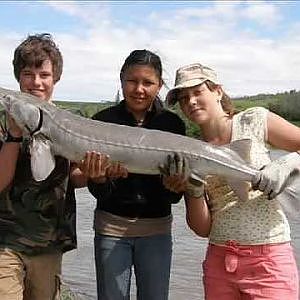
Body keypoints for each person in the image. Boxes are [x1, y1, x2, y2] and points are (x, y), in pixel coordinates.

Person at [163, 62, 300, 299]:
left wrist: (290, 163)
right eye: (184, 98)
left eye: (197, 92)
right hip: (219, 262)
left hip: (268, 261)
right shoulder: (189, 151)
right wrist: (193, 189)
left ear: (217, 91)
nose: (191, 101)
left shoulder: (253, 120)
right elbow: (202, 228)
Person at [81, 49, 186, 300]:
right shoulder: (101, 122)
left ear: (159, 85)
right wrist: (100, 178)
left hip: (157, 231)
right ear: (121, 80)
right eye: (132, 81)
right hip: (110, 229)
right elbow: (98, 191)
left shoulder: (172, 125)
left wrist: (175, 187)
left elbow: (174, 198)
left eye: (148, 83)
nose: (139, 89)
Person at [0, 33, 80, 300]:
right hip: (4, 243)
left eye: (44, 75)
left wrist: (95, 172)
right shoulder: (2, 120)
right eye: (27, 74)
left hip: (49, 244)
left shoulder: (71, 121)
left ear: (55, 77)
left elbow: (77, 177)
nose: (36, 82)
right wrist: (13, 136)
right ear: (18, 77)